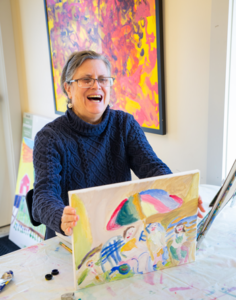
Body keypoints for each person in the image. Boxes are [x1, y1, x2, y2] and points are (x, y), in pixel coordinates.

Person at [32, 50, 205, 239]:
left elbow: (152, 167)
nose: (96, 86)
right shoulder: (49, 137)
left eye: (102, 79)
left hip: (119, 233)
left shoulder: (124, 124)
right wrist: (60, 216)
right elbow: (43, 196)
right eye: (86, 80)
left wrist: (180, 192)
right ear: (68, 88)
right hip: (72, 238)